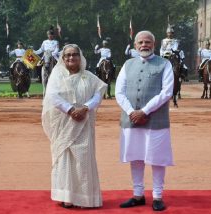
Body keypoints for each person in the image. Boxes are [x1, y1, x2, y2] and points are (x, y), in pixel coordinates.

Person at [41, 44, 107, 209]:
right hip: (63, 123)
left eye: (75, 55)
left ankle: (85, 198)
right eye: (68, 55)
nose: (71, 58)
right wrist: (70, 110)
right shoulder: (57, 76)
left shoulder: (89, 77)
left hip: (83, 122)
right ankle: (67, 197)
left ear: (80, 57)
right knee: (64, 159)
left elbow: (98, 94)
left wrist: (84, 108)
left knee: (83, 159)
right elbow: (52, 96)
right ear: (63, 58)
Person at [115, 31, 174, 212]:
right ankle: (138, 195)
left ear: (154, 44)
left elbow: (166, 92)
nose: (144, 45)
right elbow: (119, 92)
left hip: (156, 121)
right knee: (136, 157)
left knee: (157, 159)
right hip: (131, 119)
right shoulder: (127, 64)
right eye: (140, 42)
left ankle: (157, 196)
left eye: (147, 42)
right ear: (135, 45)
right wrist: (133, 112)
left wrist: (145, 111)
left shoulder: (165, 64)